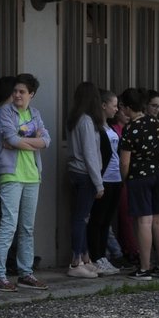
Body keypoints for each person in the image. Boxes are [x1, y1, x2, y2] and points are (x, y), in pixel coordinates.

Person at [0, 74, 50, 292]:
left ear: (31, 94)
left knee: (27, 227)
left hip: (32, 175)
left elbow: (47, 140)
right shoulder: (5, 112)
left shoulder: (35, 114)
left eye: (22, 92)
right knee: (8, 225)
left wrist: (24, 143)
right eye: (15, 91)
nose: (17, 95)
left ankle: (26, 273)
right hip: (11, 175)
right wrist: (35, 142)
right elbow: (10, 139)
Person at [119, 87, 159, 279]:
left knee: (144, 221)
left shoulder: (130, 128)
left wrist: (124, 179)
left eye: (122, 106)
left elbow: (125, 161)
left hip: (140, 177)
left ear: (128, 107)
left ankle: (145, 267)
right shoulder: (154, 122)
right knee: (158, 220)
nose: (121, 110)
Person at [65, 81, 109, 279]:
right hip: (85, 174)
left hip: (75, 172)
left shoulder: (75, 119)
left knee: (81, 217)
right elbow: (91, 154)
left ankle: (85, 258)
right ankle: (76, 262)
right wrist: (99, 183)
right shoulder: (87, 122)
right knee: (81, 218)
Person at [86, 89, 124, 274]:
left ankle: (103, 256)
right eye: (114, 105)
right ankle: (96, 256)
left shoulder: (111, 127)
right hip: (104, 177)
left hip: (116, 177)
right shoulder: (94, 126)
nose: (116, 109)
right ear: (103, 105)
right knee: (97, 219)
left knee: (107, 219)